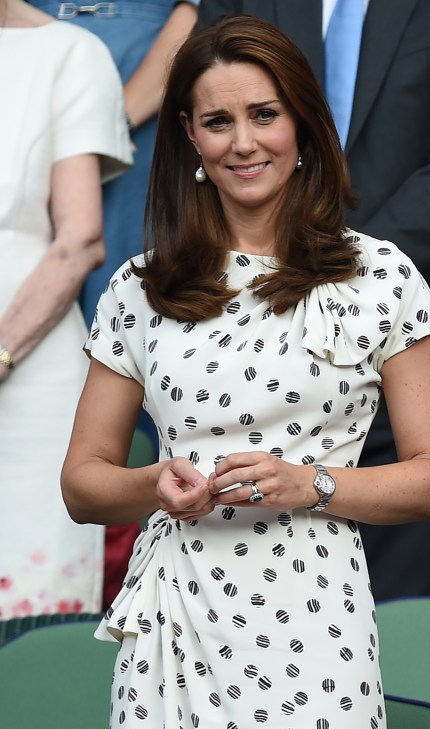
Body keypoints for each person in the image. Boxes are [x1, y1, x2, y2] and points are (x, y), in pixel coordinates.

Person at [60, 14, 430, 729]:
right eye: (219, 121)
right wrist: (155, 482)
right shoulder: (138, 289)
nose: (243, 142)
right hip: (176, 621)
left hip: (316, 624)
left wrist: (309, 483)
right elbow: (82, 485)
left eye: (264, 115)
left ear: (303, 124)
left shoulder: (380, 277)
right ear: (191, 138)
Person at [194, 0, 430, 602]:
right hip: (251, 359)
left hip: (425, 337)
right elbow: (205, 105)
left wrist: (330, 263)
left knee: (401, 650)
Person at [26, 0, 200, 612]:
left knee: (147, 348)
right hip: (27, 69)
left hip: (142, 93)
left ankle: (139, 596)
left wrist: (97, 122)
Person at [0, 0, 132, 618]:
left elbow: (79, 239)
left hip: (30, 383)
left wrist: (1, 354)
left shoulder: (70, 53)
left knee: (30, 611)